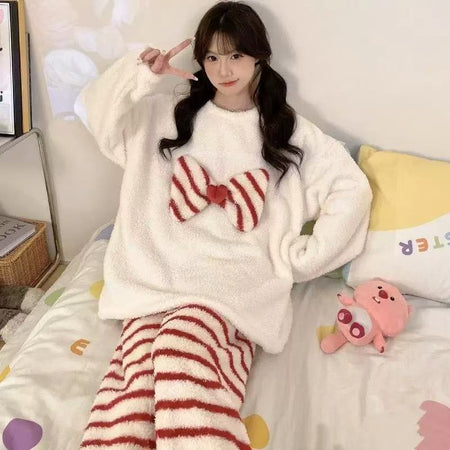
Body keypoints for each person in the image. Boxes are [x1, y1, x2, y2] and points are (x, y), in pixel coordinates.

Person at [75, 1, 372, 448]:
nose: (223, 69)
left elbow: (352, 189)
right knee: (134, 378)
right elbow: (96, 116)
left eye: (235, 55)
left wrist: (303, 259)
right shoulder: (167, 115)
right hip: (156, 273)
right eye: (212, 57)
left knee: (178, 350)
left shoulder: (287, 130)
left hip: (234, 283)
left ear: (258, 56)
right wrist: (139, 76)